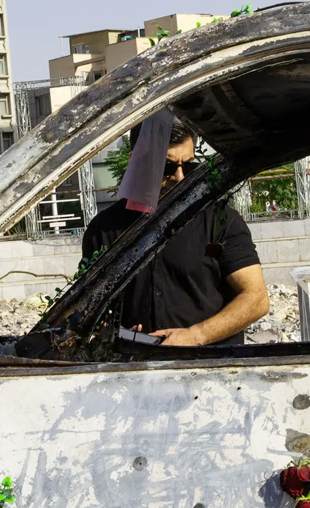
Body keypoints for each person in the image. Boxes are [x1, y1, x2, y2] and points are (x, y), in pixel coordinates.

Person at [82, 118, 269, 346]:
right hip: (136, 371)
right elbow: (89, 307)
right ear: (137, 162)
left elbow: (256, 298)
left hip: (212, 369)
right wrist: (117, 330)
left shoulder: (221, 221)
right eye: (167, 167)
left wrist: (196, 335)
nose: (180, 177)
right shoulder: (104, 228)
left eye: (189, 166)